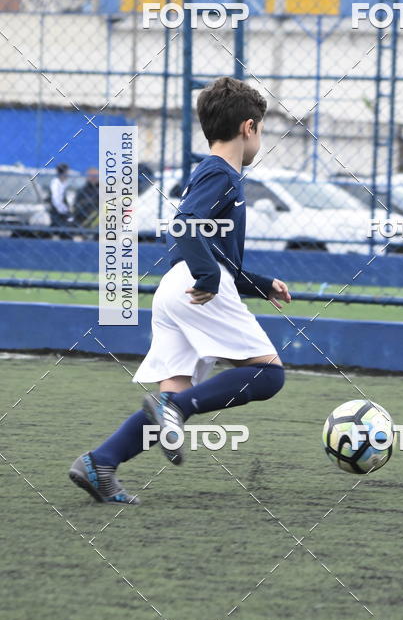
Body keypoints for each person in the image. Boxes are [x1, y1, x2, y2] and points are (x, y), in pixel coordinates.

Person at [69, 77, 291, 504]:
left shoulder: (210, 172)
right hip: (196, 286)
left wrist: (260, 285)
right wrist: (209, 278)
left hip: (177, 288)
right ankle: (177, 410)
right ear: (249, 128)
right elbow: (185, 225)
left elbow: (214, 251)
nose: (260, 136)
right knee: (268, 375)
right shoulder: (223, 174)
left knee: (172, 394)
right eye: (261, 129)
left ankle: (100, 462)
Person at [49, 163, 72, 228]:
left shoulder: (64, 183)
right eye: (67, 172)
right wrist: (66, 212)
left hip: (63, 213)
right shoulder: (56, 183)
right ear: (64, 172)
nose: (68, 175)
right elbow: (56, 201)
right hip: (57, 213)